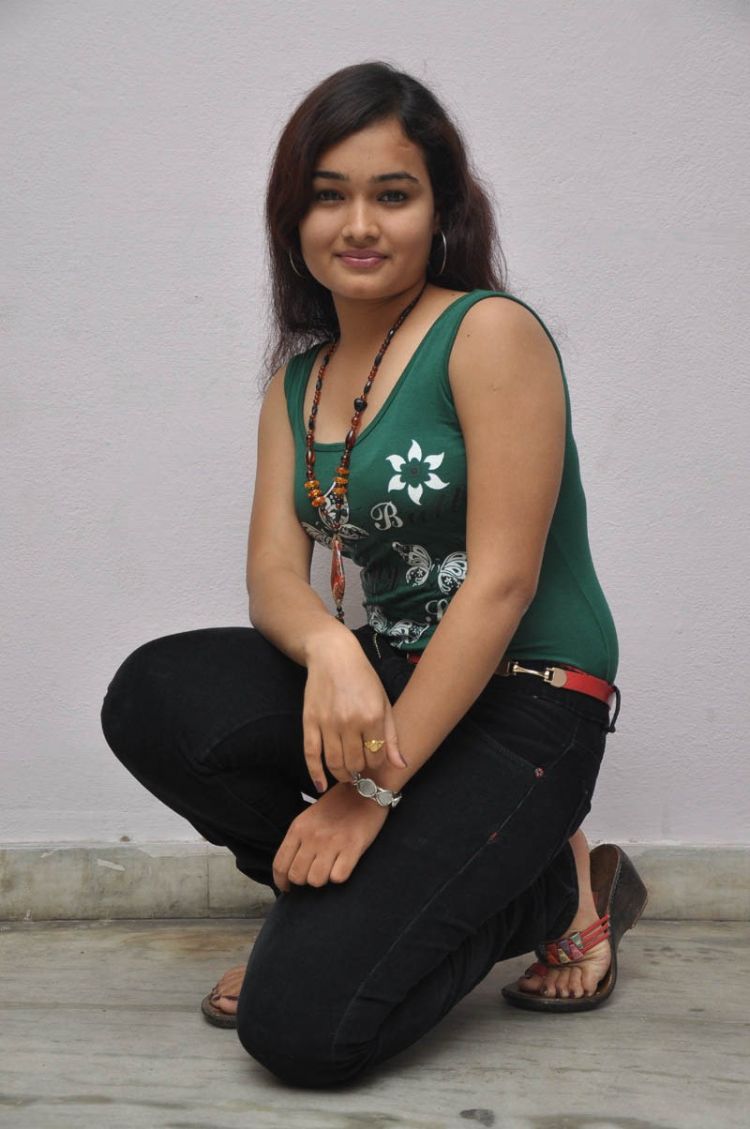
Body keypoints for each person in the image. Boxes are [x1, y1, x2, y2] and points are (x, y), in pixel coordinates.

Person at [100, 61, 648, 1088]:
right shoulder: (298, 384)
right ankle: (334, 917)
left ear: (440, 211)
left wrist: (365, 791)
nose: (359, 224)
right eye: (329, 195)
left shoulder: (487, 333)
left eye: (392, 194)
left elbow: (501, 585)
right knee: (155, 694)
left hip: (525, 702)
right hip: (393, 683)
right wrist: (331, 649)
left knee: (299, 1032)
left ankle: (551, 892)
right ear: (293, 217)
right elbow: (274, 574)